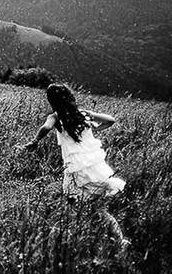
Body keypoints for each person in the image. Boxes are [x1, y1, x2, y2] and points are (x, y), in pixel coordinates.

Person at [23, 83, 127, 247]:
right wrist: (96, 128)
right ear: (70, 97)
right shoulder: (83, 114)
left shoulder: (56, 117)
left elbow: (46, 127)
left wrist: (35, 141)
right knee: (98, 209)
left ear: (52, 100)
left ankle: (81, 240)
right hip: (94, 169)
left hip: (75, 169)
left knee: (74, 205)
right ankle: (118, 240)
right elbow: (110, 120)